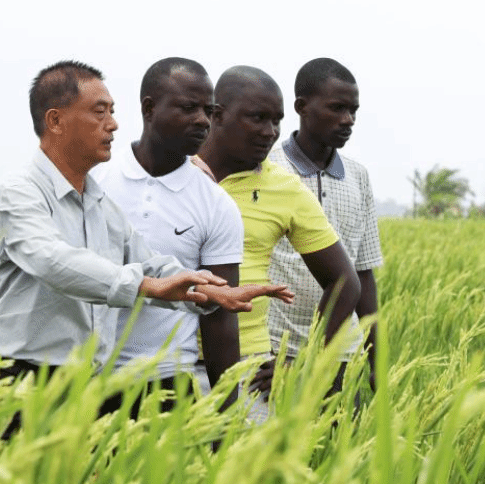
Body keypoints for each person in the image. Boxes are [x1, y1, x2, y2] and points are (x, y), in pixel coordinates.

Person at [0, 60, 266, 439]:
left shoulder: (99, 205)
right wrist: (143, 286)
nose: (113, 124)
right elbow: (51, 259)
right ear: (56, 121)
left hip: (78, 385)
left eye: (112, 112)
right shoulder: (18, 192)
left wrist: (214, 292)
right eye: (99, 112)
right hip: (10, 379)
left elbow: (153, 265)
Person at [93, 58, 293, 418]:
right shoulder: (96, 184)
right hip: (87, 378)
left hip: (169, 383)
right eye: (188, 108)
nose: (203, 120)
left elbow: (219, 318)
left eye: (208, 109)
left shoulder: (215, 203)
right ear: (149, 108)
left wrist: (225, 415)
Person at [196, 66, 361, 421]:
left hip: (249, 369)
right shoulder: (176, 177)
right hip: (165, 363)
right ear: (217, 115)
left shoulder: (284, 189)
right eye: (257, 118)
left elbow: (346, 281)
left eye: (277, 121)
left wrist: (309, 359)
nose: (270, 132)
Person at [267, 58, 383, 390]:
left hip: (340, 355)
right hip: (277, 353)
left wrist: (375, 360)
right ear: (302, 107)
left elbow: (363, 272)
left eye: (354, 111)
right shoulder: (266, 169)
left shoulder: (358, 177)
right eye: (337, 108)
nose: (348, 120)